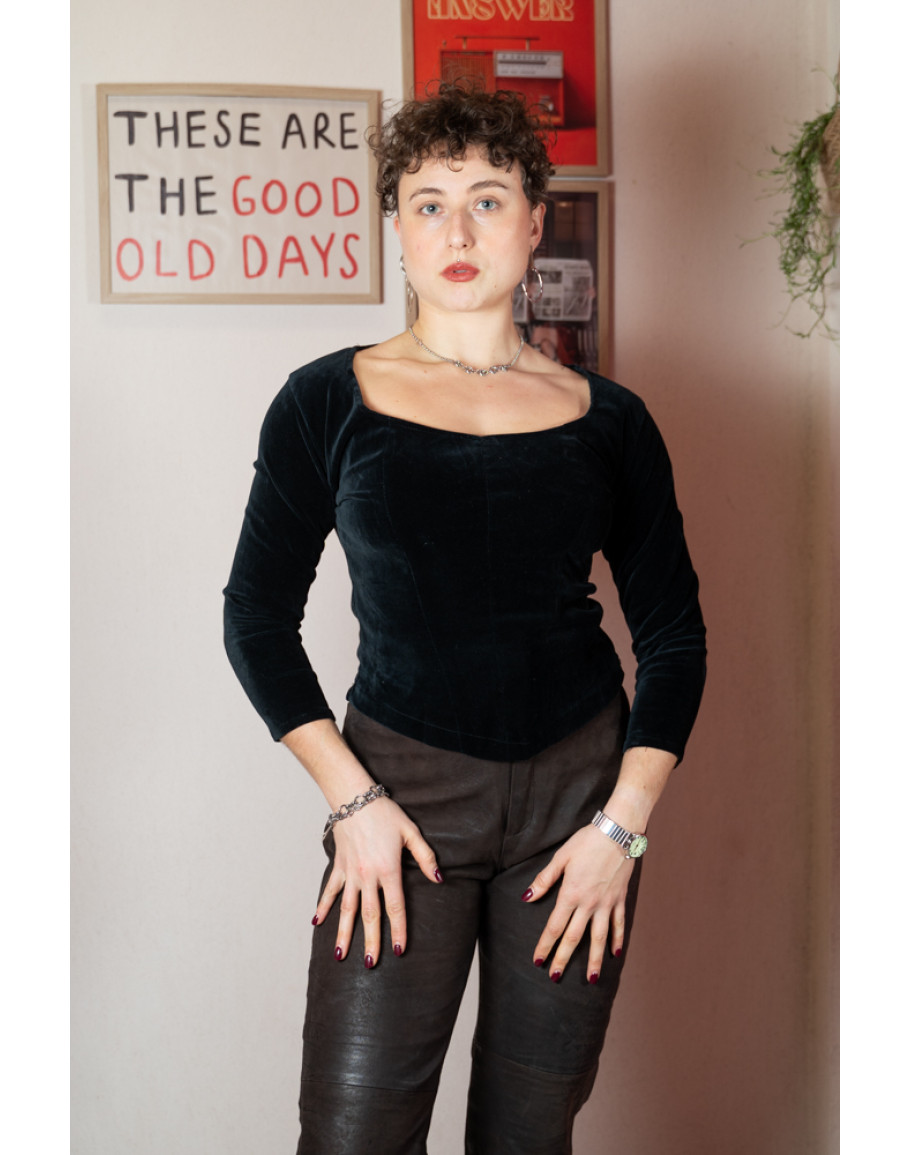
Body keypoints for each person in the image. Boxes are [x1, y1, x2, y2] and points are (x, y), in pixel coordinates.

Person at [223, 84, 706, 1155]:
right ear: (394, 228)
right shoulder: (325, 401)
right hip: (401, 800)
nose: (457, 230)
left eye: (487, 200)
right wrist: (352, 802)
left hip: (579, 816)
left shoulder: (612, 422)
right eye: (428, 203)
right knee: (354, 1133)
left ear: (534, 223)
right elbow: (255, 616)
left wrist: (620, 831)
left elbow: (674, 635)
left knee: (530, 1134)